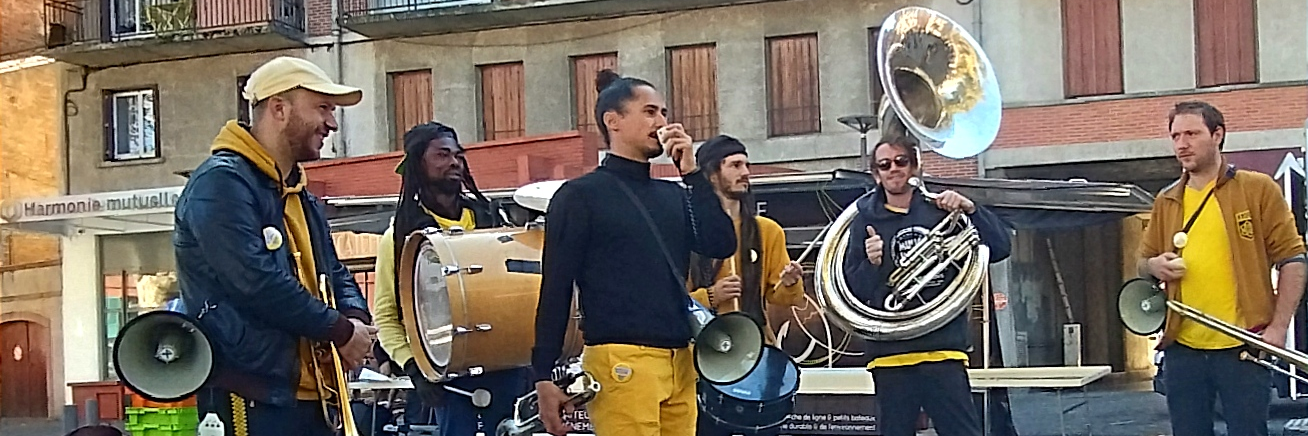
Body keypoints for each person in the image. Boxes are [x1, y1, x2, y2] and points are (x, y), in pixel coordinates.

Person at [174, 56, 376, 436]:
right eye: (322, 108)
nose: (331, 123)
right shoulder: (220, 184)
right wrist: (340, 331)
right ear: (279, 109)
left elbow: (332, 271)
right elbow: (255, 281)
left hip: (306, 394)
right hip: (251, 394)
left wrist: (356, 317)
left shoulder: (299, 192)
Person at [531, 69, 737, 436]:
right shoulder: (580, 196)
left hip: (679, 358)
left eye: (662, 112)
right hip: (621, 358)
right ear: (614, 121)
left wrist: (691, 173)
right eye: (650, 111)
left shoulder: (674, 194)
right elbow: (556, 286)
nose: (661, 122)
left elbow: (720, 244)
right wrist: (544, 373)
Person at [1138, 101, 1307, 436]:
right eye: (1175, 136)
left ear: (1217, 135)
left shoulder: (1256, 189)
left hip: (1243, 347)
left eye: (1191, 133)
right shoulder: (1166, 199)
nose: (1181, 143)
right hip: (1182, 350)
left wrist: (1278, 329)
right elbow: (1142, 264)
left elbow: (1293, 259)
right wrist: (1154, 265)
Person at [841, 134, 1012, 436]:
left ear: (915, 166)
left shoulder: (942, 210)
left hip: (943, 349)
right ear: (875, 174)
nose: (893, 169)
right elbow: (856, 292)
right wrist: (873, 264)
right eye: (884, 165)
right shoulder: (863, 220)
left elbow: (1000, 248)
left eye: (901, 161)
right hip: (889, 353)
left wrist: (971, 210)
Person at [371, 121, 530, 436]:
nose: (455, 162)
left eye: (458, 155)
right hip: (446, 377)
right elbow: (387, 317)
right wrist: (415, 368)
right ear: (419, 163)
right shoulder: (400, 237)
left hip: (508, 369)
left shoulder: (491, 221)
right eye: (443, 155)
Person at [686, 135, 804, 436]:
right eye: (736, 165)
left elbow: (780, 298)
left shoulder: (768, 231)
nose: (746, 172)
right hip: (703, 360)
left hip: (756, 356)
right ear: (712, 174)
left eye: (747, 164)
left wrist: (789, 282)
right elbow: (674, 298)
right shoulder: (687, 232)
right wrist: (710, 296)